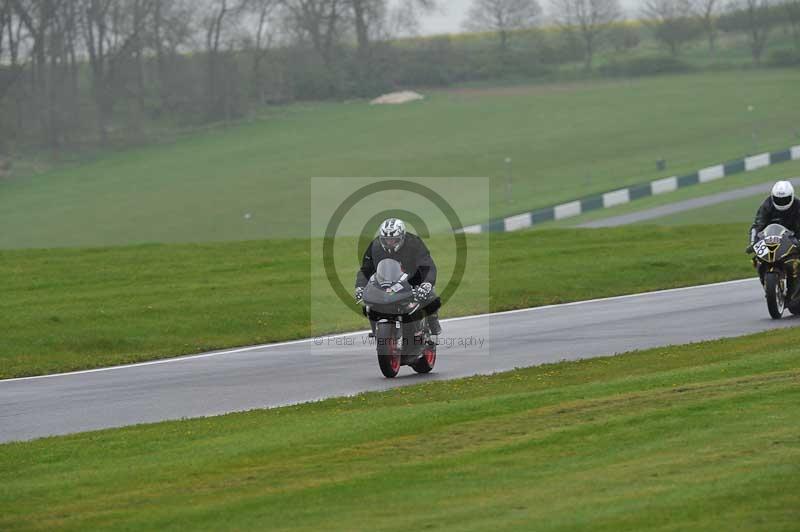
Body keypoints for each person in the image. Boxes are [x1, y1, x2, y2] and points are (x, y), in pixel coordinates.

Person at [355, 218, 442, 336]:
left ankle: (433, 325)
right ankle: (376, 331)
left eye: (393, 240)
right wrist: (360, 287)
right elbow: (366, 269)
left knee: (429, 296)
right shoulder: (375, 246)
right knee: (370, 302)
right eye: (386, 240)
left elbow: (427, 265)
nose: (389, 243)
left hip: (412, 279)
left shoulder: (414, 243)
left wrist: (426, 284)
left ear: (402, 236)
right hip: (386, 282)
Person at [747, 180, 800, 253]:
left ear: (792, 196)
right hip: (770, 239)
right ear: (772, 197)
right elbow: (757, 225)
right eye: (778, 199)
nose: (782, 202)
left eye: (785, 199)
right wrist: (752, 243)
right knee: (757, 260)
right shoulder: (767, 205)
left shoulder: (798, 206)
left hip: (793, 238)